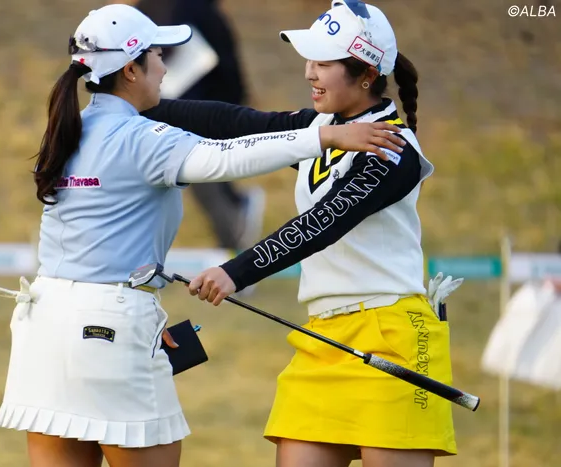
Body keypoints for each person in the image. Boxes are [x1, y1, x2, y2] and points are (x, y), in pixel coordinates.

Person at [0, 4, 406, 467]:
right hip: (111, 326)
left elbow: (229, 122)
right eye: (159, 56)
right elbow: (226, 157)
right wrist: (325, 138)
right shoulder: (144, 137)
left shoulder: (70, 127)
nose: (167, 67)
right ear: (131, 70)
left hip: (43, 326)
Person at [142, 1, 457, 465]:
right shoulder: (321, 129)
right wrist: (135, 106)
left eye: (324, 63)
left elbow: (323, 223)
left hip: (392, 335)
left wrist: (235, 272)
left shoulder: (393, 147)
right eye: (310, 60)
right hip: (322, 337)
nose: (310, 72)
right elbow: (236, 124)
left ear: (366, 74)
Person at [136, 0, 266, 253]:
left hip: (202, 108)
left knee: (203, 174)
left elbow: (226, 63)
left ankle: (234, 233)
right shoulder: (148, 9)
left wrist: (234, 104)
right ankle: (233, 223)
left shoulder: (196, 10)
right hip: (167, 107)